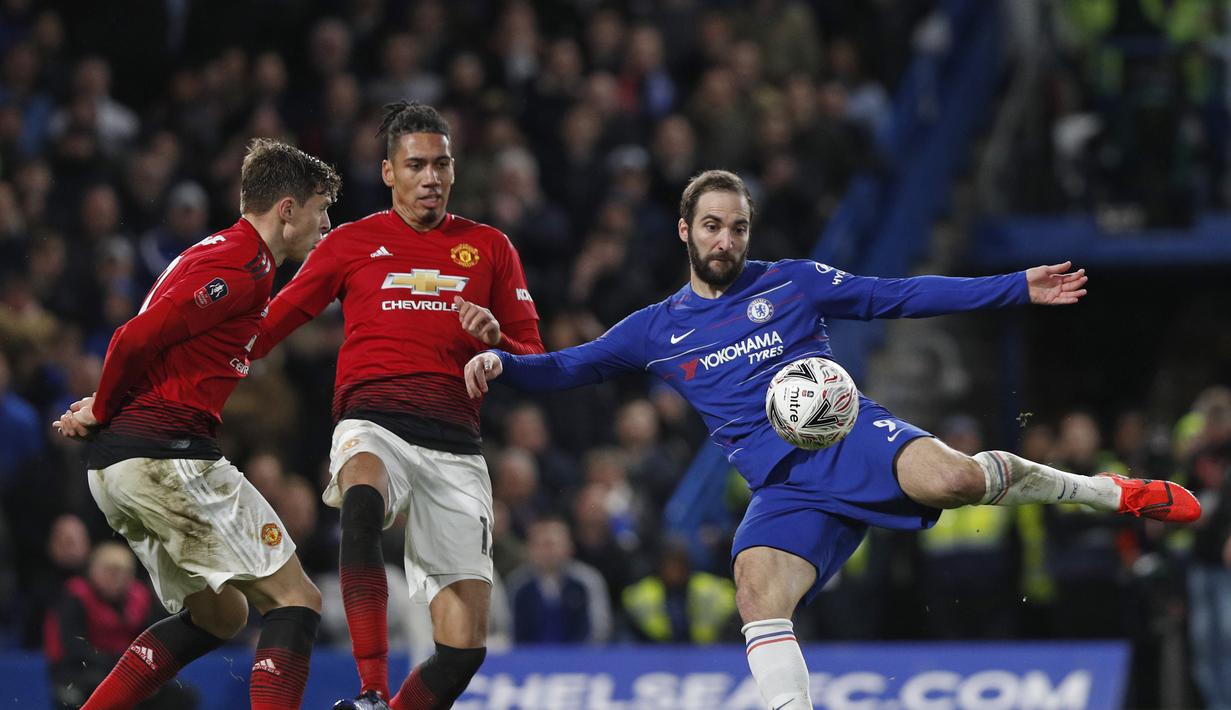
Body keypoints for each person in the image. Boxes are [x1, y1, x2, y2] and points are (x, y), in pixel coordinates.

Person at [464, 169, 1202, 710]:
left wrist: (1012, 286)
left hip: (851, 437)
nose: (727, 239)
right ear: (685, 231)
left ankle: (1107, 492)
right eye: (713, 225)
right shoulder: (654, 329)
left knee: (955, 481)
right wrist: (502, 361)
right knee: (755, 594)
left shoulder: (791, 282)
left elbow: (898, 295)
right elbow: (565, 368)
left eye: (739, 226)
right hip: (784, 488)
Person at [249, 101, 543, 710]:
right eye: (416, 165)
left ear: (455, 171)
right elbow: (271, 323)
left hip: (456, 444)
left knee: (464, 651)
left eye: (440, 164)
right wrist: (181, 356)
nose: (429, 177)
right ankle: (371, 690)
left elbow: (533, 359)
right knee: (360, 500)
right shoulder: (351, 243)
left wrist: (498, 343)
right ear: (389, 172)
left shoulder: (489, 248)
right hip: (374, 421)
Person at [51, 138, 340, 710]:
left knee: (220, 615)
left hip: (123, 464)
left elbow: (243, 343)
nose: (326, 224)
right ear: (287, 209)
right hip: (166, 455)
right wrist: (103, 407)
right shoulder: (240, 266)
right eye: (320, 210)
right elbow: (132, 338)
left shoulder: (233, 258)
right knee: (297, 600)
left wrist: (104, 411)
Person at [45, 541, 197, 709]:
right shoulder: (75, 597)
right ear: (92, 570)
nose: (118, 577)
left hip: (132, 672)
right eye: (110, 570)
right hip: (84, 673)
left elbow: (157, 643)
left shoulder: (142, 598)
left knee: (182, 697)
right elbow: (74, 648)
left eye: (125, 572)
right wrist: (119, 665)